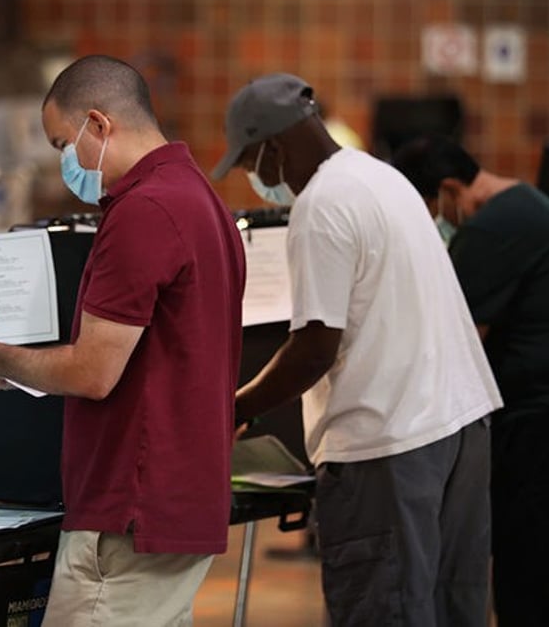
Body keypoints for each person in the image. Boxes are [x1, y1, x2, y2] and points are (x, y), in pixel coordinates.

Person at [211, 73, 501, 626]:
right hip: (460, 424)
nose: (255, 179)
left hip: (388, 446)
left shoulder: (320, 206)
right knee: (451, 609)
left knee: (383, 610)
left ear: (273, 147)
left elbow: (315, 347)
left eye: (250, 165)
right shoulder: (382, 177)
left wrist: (237, 407)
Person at [0, 55, 246, 626]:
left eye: (60, 144)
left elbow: (93, 373)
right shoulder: (202, 200)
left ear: (98, 125)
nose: (63, 162)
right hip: (178, 502)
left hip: (129, 509)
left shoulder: (144, 210)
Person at [392, 135, 549, 627]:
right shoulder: (529, 203)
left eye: (430, 211)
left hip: (540, 424)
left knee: (530, 579)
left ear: (448, 189)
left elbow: (453, 334)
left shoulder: (491, 226)